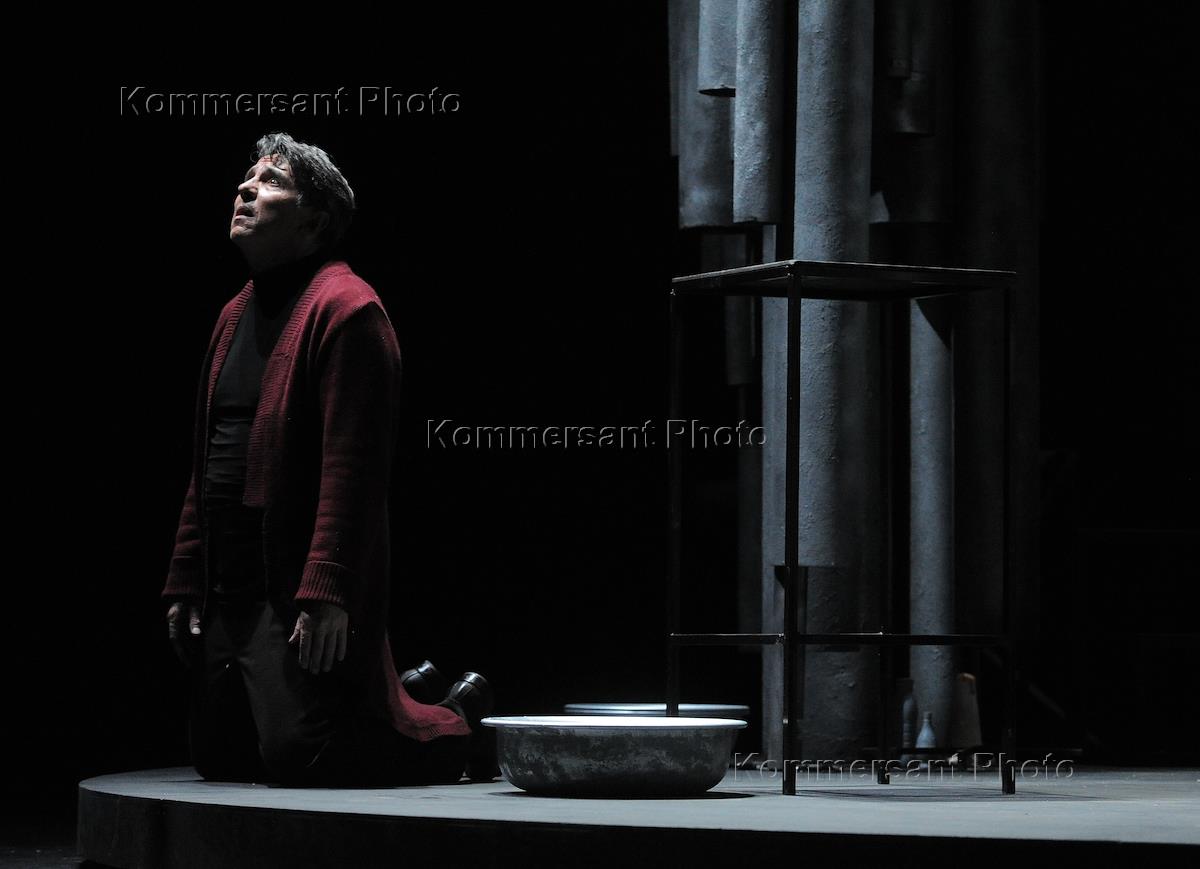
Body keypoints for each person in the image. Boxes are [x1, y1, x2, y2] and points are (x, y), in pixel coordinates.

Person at [162, 132, 492, 787]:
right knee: (219, 756)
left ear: (315, 220)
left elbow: (354, 471)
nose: (246, 187)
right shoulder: (233, 314)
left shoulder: (348, 309)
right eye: (248, 175)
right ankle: (405, 691)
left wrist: (327, 591)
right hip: (230, 584)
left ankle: (456, 720)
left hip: (288, 584)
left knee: (301, 755)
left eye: (271, 181)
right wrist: (184, 575)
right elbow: (207, 462)